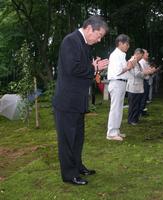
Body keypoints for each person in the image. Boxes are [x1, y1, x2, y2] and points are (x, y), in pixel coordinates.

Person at [52, 15, 109, 185]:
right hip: (67, 102)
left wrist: (93, 66)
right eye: (99, 35)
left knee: (77, 138)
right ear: (90, 28)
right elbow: (73, 68)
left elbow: (83, 70)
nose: (99, 40)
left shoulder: (83, 43)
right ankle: (69, 175)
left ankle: (77, 166)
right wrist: (94, 68)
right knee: (68, 140)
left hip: (77, 101)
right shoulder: (71, 41)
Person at [106, 34, 136, 141]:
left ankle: (116, 130)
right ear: (120, 43)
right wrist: (129, 66)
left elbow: (125, 69)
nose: (128, 46)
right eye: (126, 44)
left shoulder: (121, 55)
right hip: (116, 83)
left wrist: (129, 65)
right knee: (115, 109)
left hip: (121, 83)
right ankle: (111, 133)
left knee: (119, 108)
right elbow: (118, 71)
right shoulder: (115, 55)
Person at [126, 48, 155, 125]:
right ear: (137, 54)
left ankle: (134, 119)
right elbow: (136, 73)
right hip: (133, 86)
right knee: (133, 104)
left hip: (137, 86)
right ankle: (132, 120)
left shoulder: (137, 62)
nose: (141, 57)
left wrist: (147, 73)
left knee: (136, 104)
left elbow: (140, 73)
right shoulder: (132, 60)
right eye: (141, 56)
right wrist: (146, 72)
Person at [139, 49, 151, 116]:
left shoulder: (145, 62)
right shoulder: (141, 62)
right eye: (146, 52)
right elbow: (142, 73)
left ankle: (143, 110)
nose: (148, 54)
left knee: (145, 97)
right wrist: (149, 71)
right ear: (142, 54)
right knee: (143, 97)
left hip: (145, 80)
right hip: (143, 81)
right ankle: (141, 111)